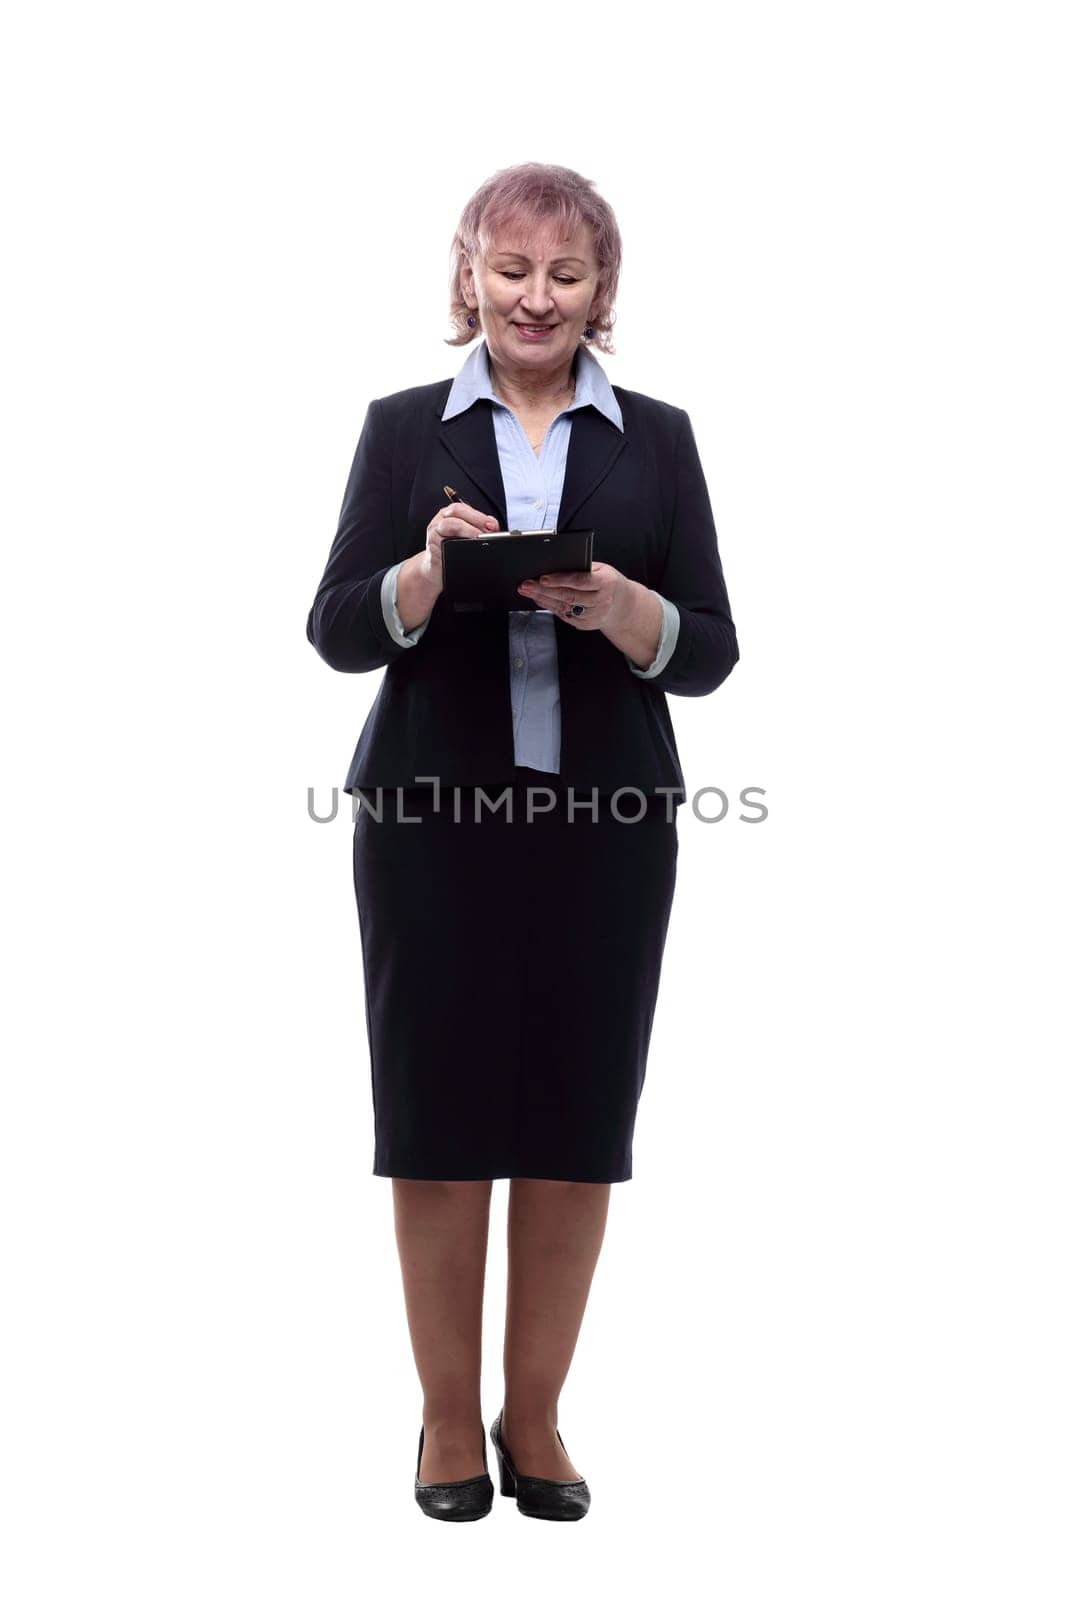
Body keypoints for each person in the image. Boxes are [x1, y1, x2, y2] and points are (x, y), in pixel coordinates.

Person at [306, 162, 739, 1521]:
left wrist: (623, 610)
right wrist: (426, 578)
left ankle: (534, 1419)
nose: (535, 298)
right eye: (511, 271)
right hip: (430, 822)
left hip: (608, 829)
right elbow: (334, 630)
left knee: (574, 1119)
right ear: (468, 278)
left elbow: (712, 652)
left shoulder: (658, 438)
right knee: (438, 1124)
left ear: (602, 288)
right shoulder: (398, 431)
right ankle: (445, 1425)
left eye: (565, 274)